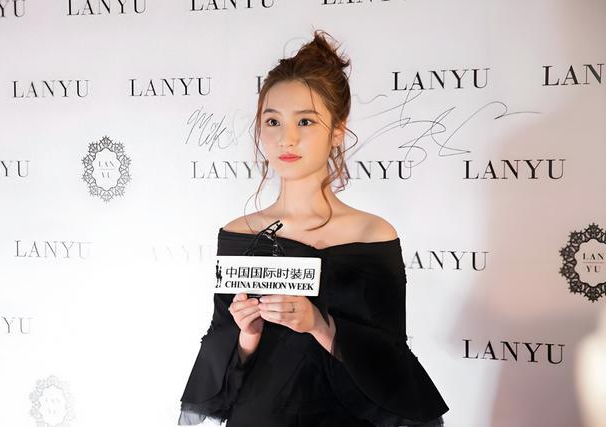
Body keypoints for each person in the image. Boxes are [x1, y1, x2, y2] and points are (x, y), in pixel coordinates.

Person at [178, 29, 449, 427]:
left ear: (337, 130)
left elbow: (392, 361)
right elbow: (221, 352)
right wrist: (247, 335)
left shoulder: (373, 236)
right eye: (273, 121)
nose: (286, 138)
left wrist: (320, 326)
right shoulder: (239, 235)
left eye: (305, 121)